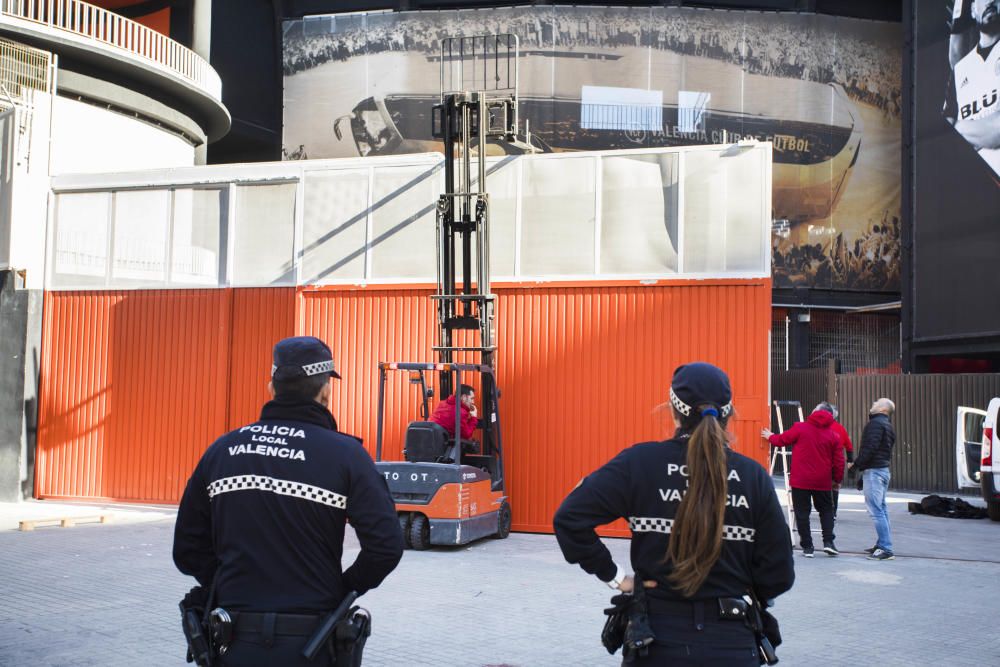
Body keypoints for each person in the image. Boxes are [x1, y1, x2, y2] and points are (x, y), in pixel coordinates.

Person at [173, 336, 404, 666]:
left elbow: (187, 550)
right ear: (326, 391)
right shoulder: (347, 456)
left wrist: (228, 582)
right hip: (312, 643)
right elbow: (385, 547)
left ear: (272, 388)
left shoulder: (221, 452)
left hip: (233, 641)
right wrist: (341, 588)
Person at [554, 362, 794, 666]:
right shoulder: (753, 476)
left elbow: (570, 518)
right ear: (728, 414)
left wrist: (617, 579)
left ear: (673, 409)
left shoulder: (639, 463)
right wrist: (739, 587)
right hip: (731, 642)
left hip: (657, 640)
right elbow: (779, 573)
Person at [762, 403, 844, 557]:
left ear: (814, 412)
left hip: (800, 480)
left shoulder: (800, 428)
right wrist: (836, 480)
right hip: (823, 482)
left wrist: (770, 436)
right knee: (826, 511)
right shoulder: (834, 435)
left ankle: (807, 547)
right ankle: (828, 542)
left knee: (801, 512)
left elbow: (782, 440)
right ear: (831, 416)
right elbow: (839, 461)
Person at [944, 0, 1000, 178]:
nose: (991, 0)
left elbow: (996, 130)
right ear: (973, 10)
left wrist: (957, 128)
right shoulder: (962, 68)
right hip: (969, 186)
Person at [855, 397, 897, 561]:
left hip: (875, 472)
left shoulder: (876, 424)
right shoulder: (887, 425)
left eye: (876, 403)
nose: (872, 404)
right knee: (881, 509)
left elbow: (870, 447)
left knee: (876, 510)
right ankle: (882, 544)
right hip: (882, 471)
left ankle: (886, 548)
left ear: (883, 409)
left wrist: (857, 465)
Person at [816, 402, 854, 518]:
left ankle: (824, 510)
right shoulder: (840, 428)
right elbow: (849, 446)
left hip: (822, 462)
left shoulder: (818, 427)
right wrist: (850, 461)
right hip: (837, 463)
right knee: (835, 487)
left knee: (821, 487)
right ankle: (833, 512)